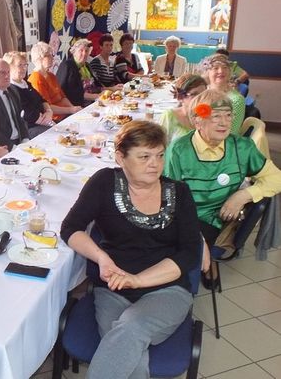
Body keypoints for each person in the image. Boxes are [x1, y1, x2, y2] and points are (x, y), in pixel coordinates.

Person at [60, 121, 201, 379]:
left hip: (167, 289)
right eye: (144, 156)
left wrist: (138, 280)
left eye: (160, 155)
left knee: (130, 329)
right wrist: (101, 257)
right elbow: (71, 228)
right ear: (120, 157)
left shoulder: (179, 193)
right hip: (114, 288)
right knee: (129, 349)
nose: (155, 164)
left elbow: (190, 252)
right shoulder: (104, 182)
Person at [164, 89, 281, 286]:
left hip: (215, 218)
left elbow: (276, 177)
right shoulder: (179, 149)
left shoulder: (242, 148)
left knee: (182, 255)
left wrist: (243, 195)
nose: (224, 122)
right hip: (182, 216)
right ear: (197, 121)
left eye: (228, 115)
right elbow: (169, 196)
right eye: (215, 116)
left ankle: (184, 288)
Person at [3, 51, 54, 138]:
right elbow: (27, 113)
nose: (24, 68)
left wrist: (49, 111)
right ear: (9, 67)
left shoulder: (25, 83)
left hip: (43, 121)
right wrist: (48, 121)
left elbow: (41, 99)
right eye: (20, 65)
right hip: (28, 128)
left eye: (25, 65)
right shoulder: (10, 88)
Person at [28, 41, 81, 121]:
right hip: (54, 120)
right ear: (40, 58)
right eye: (49, 56)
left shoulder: (51, 75)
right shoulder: (36, 78)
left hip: (66, 115)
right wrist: (71, 110)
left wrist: (73, 108)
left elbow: (63, 97)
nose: (52, 58)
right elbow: (47, 107)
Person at [200, 53, 245, 133]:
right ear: (207, 72)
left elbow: (231, 132)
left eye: (225, 67)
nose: (221, 71)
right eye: (215, 68)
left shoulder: (236, 100)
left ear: (229, 72)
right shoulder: (201, 92)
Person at [157, 74, 207, 142]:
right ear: (180, 97)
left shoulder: (208, 117)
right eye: (194, 94)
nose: (201, 98)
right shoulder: (170, 116)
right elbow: (159, 144)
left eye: (204, 94)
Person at [56, 38, 102, 107]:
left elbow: (95, 85)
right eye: (81, 50)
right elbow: (65, 91)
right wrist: (96, 96)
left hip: (92, 103)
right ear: (74, 52)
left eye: (86, 51)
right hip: (76, 106)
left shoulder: (87, 65)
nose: (84, 53)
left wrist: (106, 91)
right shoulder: (67, 65)